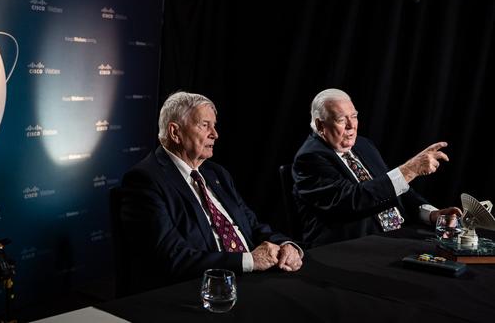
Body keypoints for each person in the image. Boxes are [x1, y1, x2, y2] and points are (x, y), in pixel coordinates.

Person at [118, 91, 302, 293]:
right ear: (175, 132)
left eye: (214, 126)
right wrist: (249, 261)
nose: (215, 134)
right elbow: (172, 257)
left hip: (253, 279)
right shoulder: (145, 180)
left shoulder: (216, 173)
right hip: (202, 290)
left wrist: (285, 245)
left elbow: (251, 225)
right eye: (204, 125)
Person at [292, 88, 462, 247]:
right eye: (342, 120)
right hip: (350, 247)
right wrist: (410, 170)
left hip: (397, 236)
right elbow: (353, 200)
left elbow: (395, 188)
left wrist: (432, 215)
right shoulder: (309, 158)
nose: (352, 126)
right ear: (321, 125)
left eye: (354, 116)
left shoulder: (363, 145)